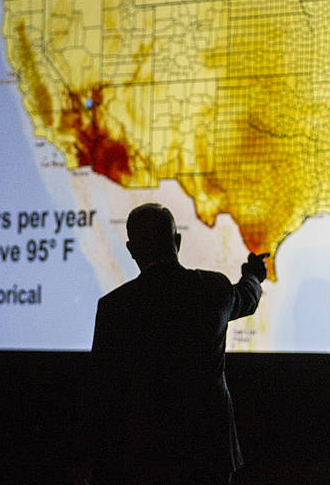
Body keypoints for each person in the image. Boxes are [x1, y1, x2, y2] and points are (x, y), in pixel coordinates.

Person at [89, 203, 268, 484]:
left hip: (142, 453)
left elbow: (103, 390)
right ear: (177, 241)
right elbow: (247, 297)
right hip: (208, 451)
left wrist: (96, 464)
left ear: (131, 249)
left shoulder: (114, 307)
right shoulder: (213, 289)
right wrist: (254, 275)